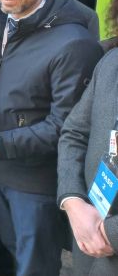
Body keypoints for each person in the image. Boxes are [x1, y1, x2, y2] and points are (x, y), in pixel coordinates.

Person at [0, 0, 103, 276]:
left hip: (35, 181)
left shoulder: (74, 43)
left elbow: (66, 126)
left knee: (35, 265)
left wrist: (1, 145)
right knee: (13, 253)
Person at [58, 49, 118, 275]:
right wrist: (73, 202)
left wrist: (110, 233)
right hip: (87, 246)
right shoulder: (111, 61)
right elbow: (74, 133)